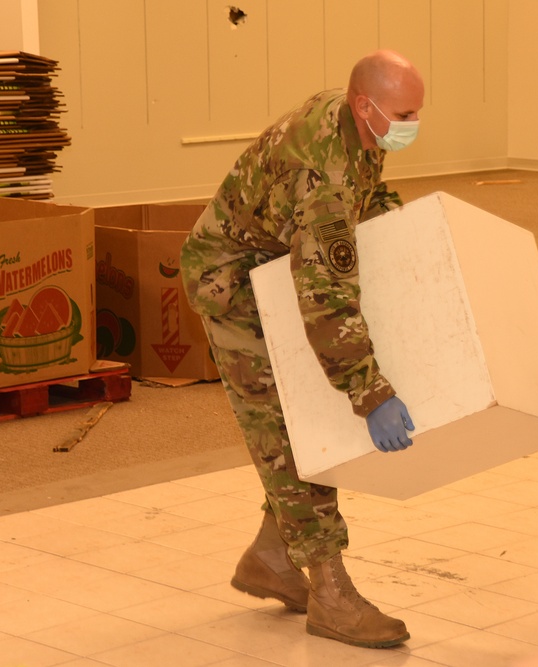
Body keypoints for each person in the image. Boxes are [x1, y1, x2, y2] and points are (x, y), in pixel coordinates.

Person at [180, 49, 424, 649]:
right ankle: (330, 591)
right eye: (405, 113)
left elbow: (359, 207)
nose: (414, 124)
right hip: (233, 285)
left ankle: (272, 558)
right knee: (287, 433)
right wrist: (370, 392)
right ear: (365, 104)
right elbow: (326, 298)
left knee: (304, 417)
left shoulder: (352, 122)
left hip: (272, 269)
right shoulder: (326, 173)